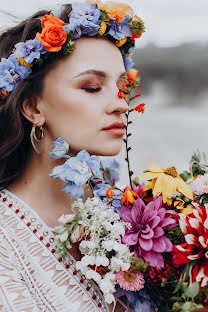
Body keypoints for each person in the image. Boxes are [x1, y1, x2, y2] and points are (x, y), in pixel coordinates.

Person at [0, 1, 144, 311]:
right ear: (33, 108)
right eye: (92, 87)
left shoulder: (129, 209)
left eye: (122, 86)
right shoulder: (5, 240)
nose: (121, 104)